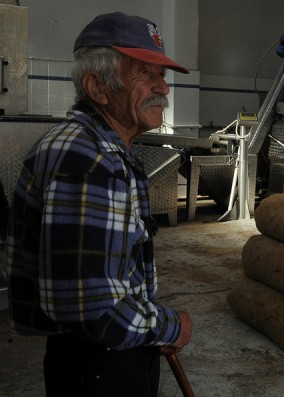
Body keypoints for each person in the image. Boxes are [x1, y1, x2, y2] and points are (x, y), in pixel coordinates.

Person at [6, 12, 193, 397]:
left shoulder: (105, 146)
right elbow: (91, 309)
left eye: (163, 75)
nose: (163, 88)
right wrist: (170, 326)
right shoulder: (87, 159)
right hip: (97, 361)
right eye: (145, 74)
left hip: (108, 349)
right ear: (98, 86)